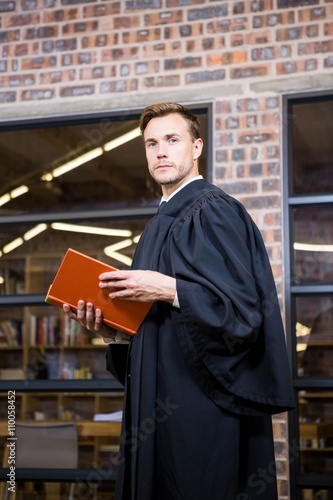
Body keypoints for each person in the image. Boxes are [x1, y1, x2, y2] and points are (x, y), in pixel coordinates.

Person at [63, 102, 295, 500]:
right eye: (151, 143)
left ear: (197, 146)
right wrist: (113, 333)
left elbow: (242, 314)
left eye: (172, 140)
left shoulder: (214, 212)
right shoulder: (157, 226)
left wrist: (168, 289)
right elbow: (154, 330)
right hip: (155, 409)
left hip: (200, 411)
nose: (161, 151)